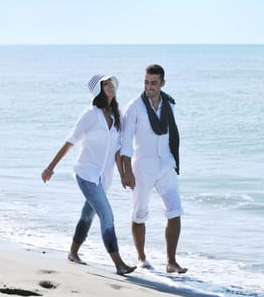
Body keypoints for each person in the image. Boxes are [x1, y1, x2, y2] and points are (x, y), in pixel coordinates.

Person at [41, 74, 136, 275]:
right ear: (98, 90)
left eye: (112, 84)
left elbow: (117, 151)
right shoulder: (90, 115)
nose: (111, 86)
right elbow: (70, 142)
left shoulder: (116, 114)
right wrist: (50, 167)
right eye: (106, 84)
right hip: (86, 174)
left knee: (87, 215)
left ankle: (73, 253)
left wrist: (123, 175)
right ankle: (118, 263)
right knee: (106, 215)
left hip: (103, 179)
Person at [121, 64, 187, 274]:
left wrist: (173, 161)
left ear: (162, 83)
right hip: (143, 167)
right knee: (139, 214)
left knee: (175, 211)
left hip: (166, 165)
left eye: (154, 83)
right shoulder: (135, 107)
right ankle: (141, 258)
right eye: (146, 82)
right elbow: (125, 142)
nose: (149, 86)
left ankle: (171, 261)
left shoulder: (169, 104)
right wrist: (126, 171)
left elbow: (171, 135)